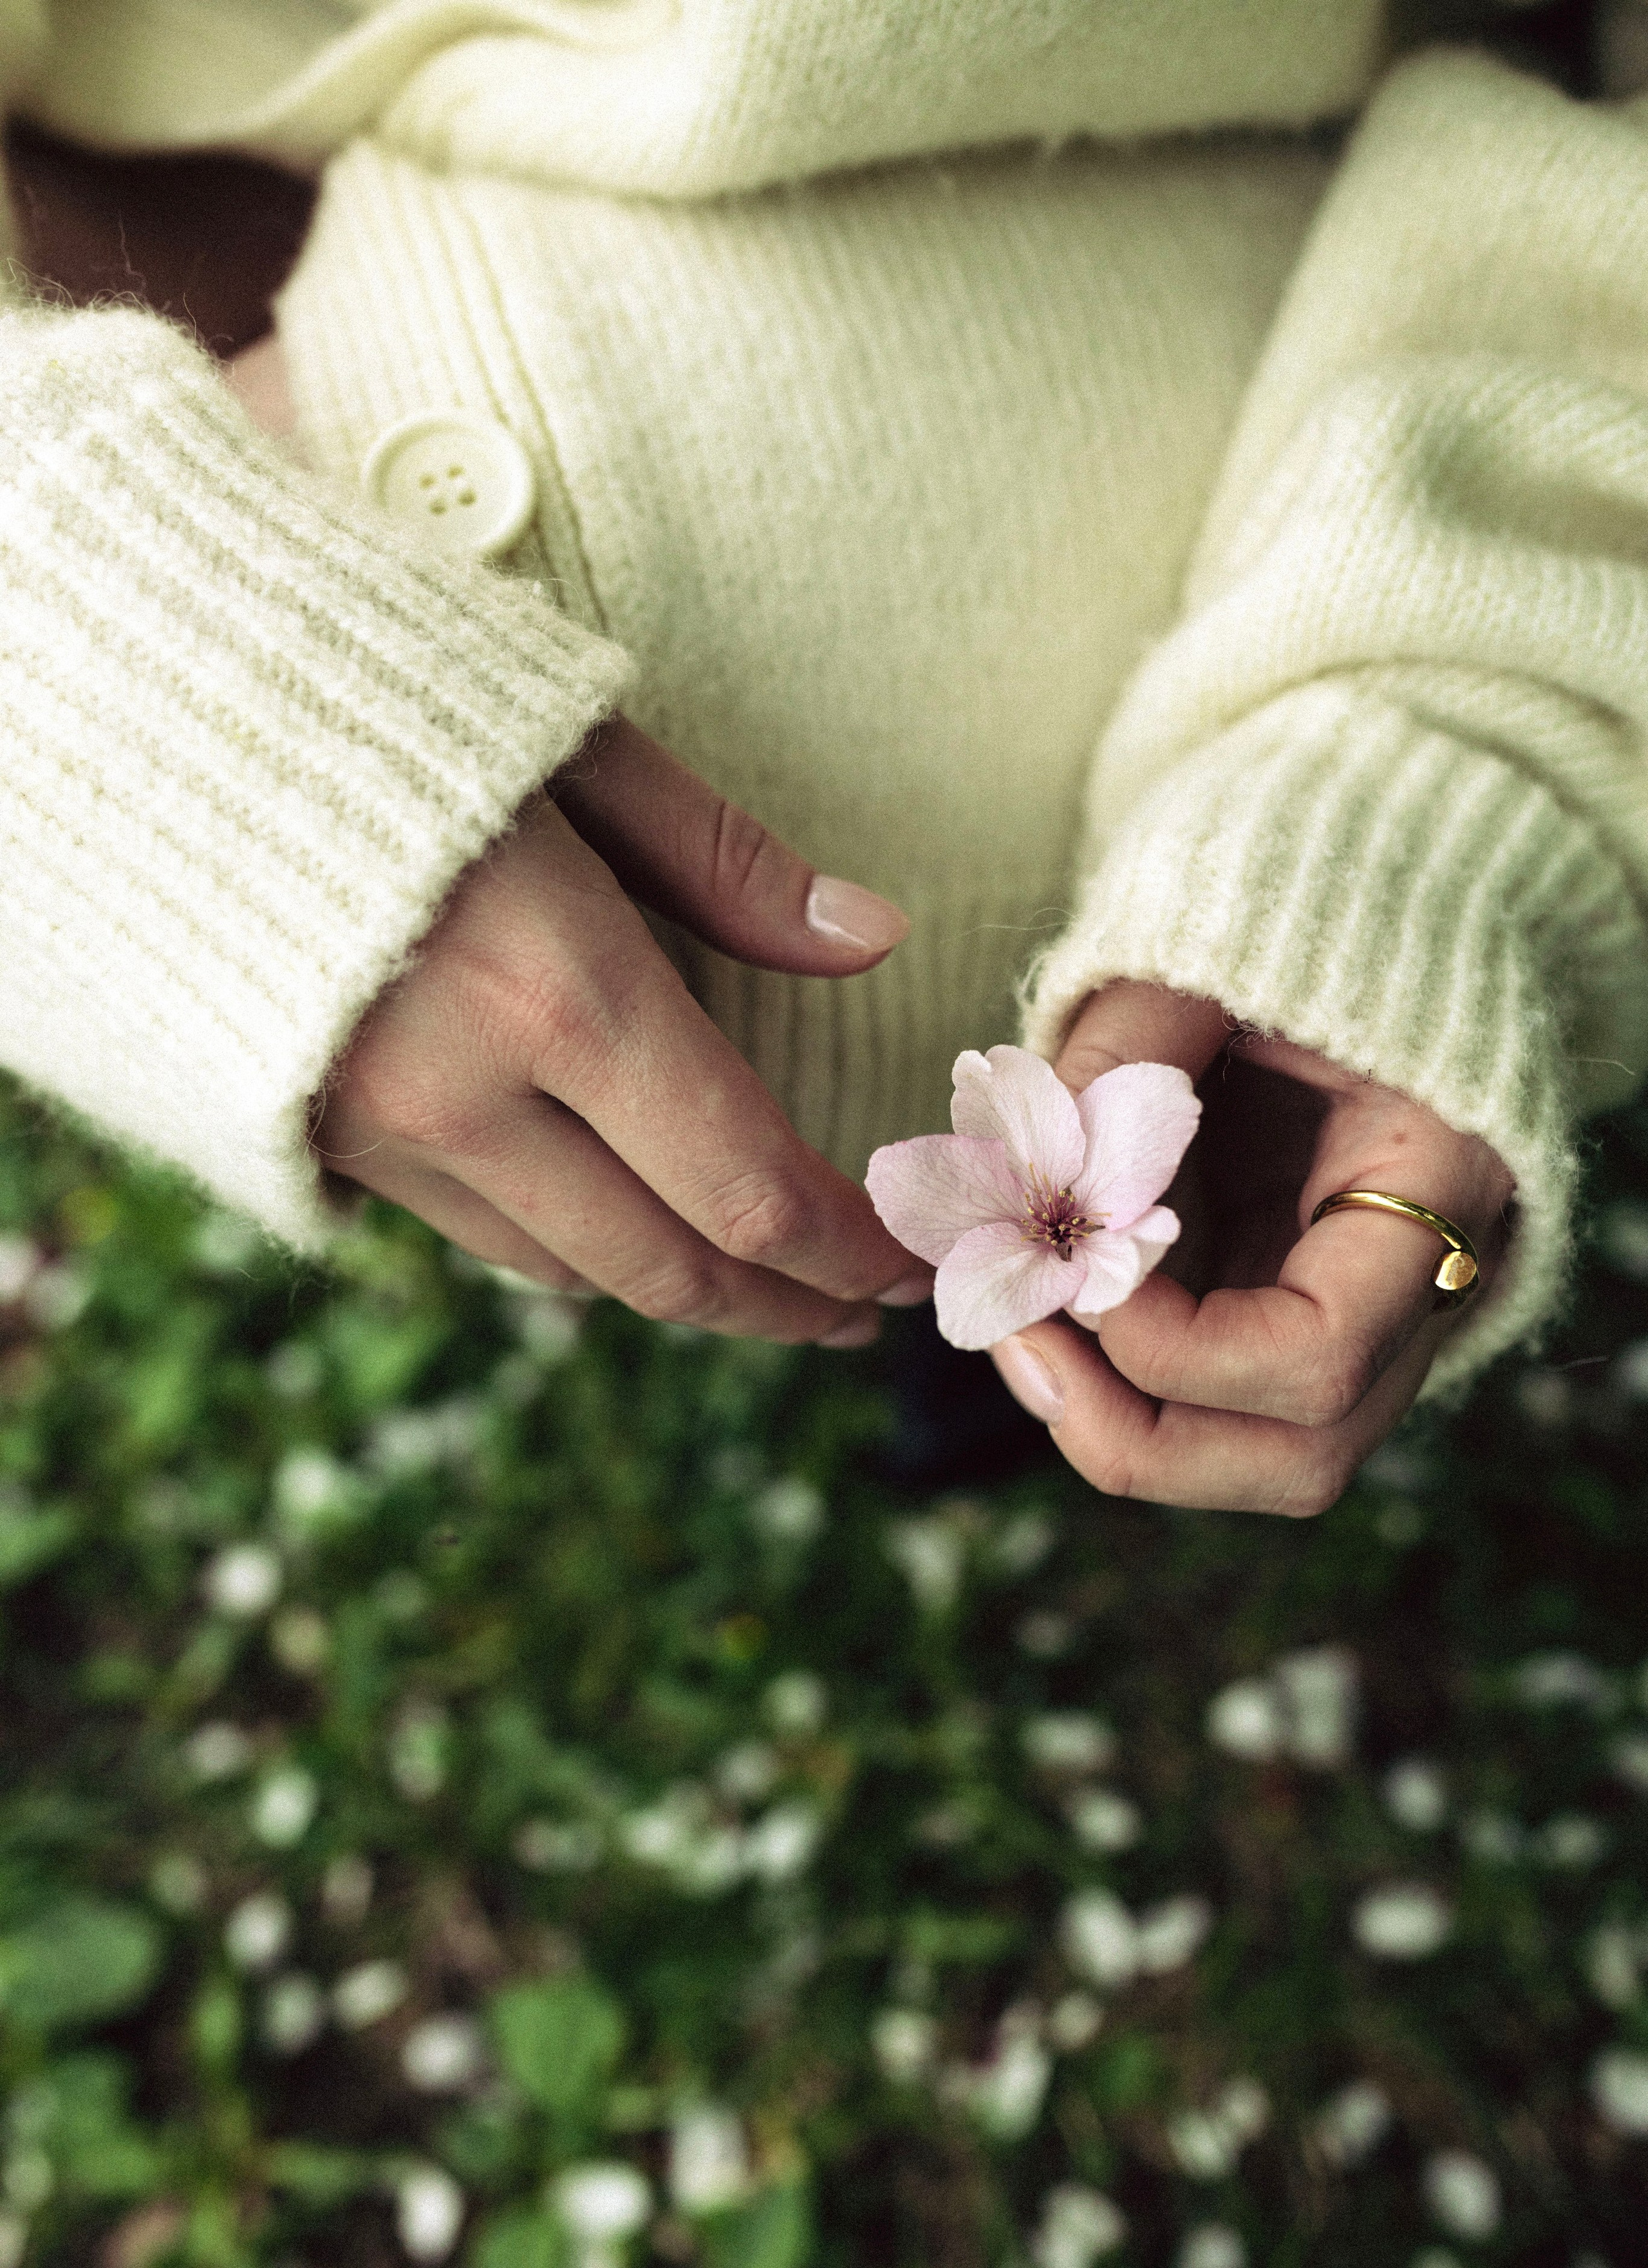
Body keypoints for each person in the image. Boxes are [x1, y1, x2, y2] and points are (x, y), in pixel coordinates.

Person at [1, 0, 1645, 1516]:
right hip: (224, 336)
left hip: (1235, 613)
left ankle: (966, 1331)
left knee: (1023, 1308)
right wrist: (124, 704)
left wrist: (1443, 769)